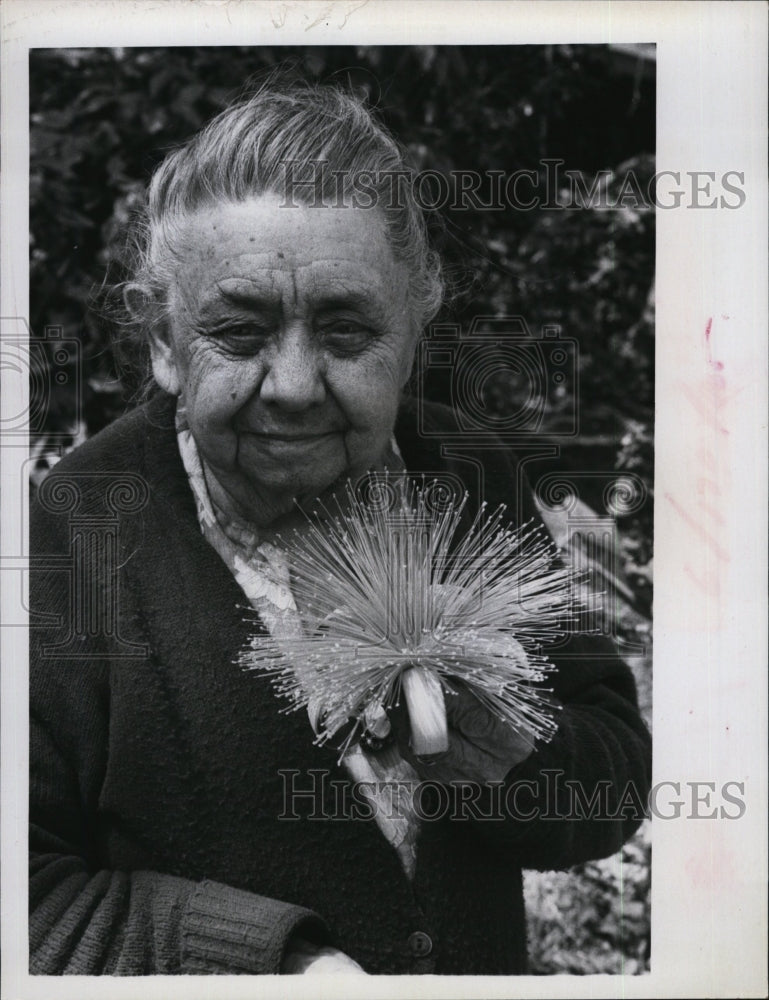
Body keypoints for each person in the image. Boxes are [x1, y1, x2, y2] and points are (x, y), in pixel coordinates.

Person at [29, 80, 651, 976]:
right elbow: (29, 895)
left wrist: (511, 759)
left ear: (412, 330)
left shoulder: (467, 477)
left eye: (346, 329)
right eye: (238, 330)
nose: (291, 384)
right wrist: (276, 967)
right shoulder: (76, 539)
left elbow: (610, 778)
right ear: (163, 343)